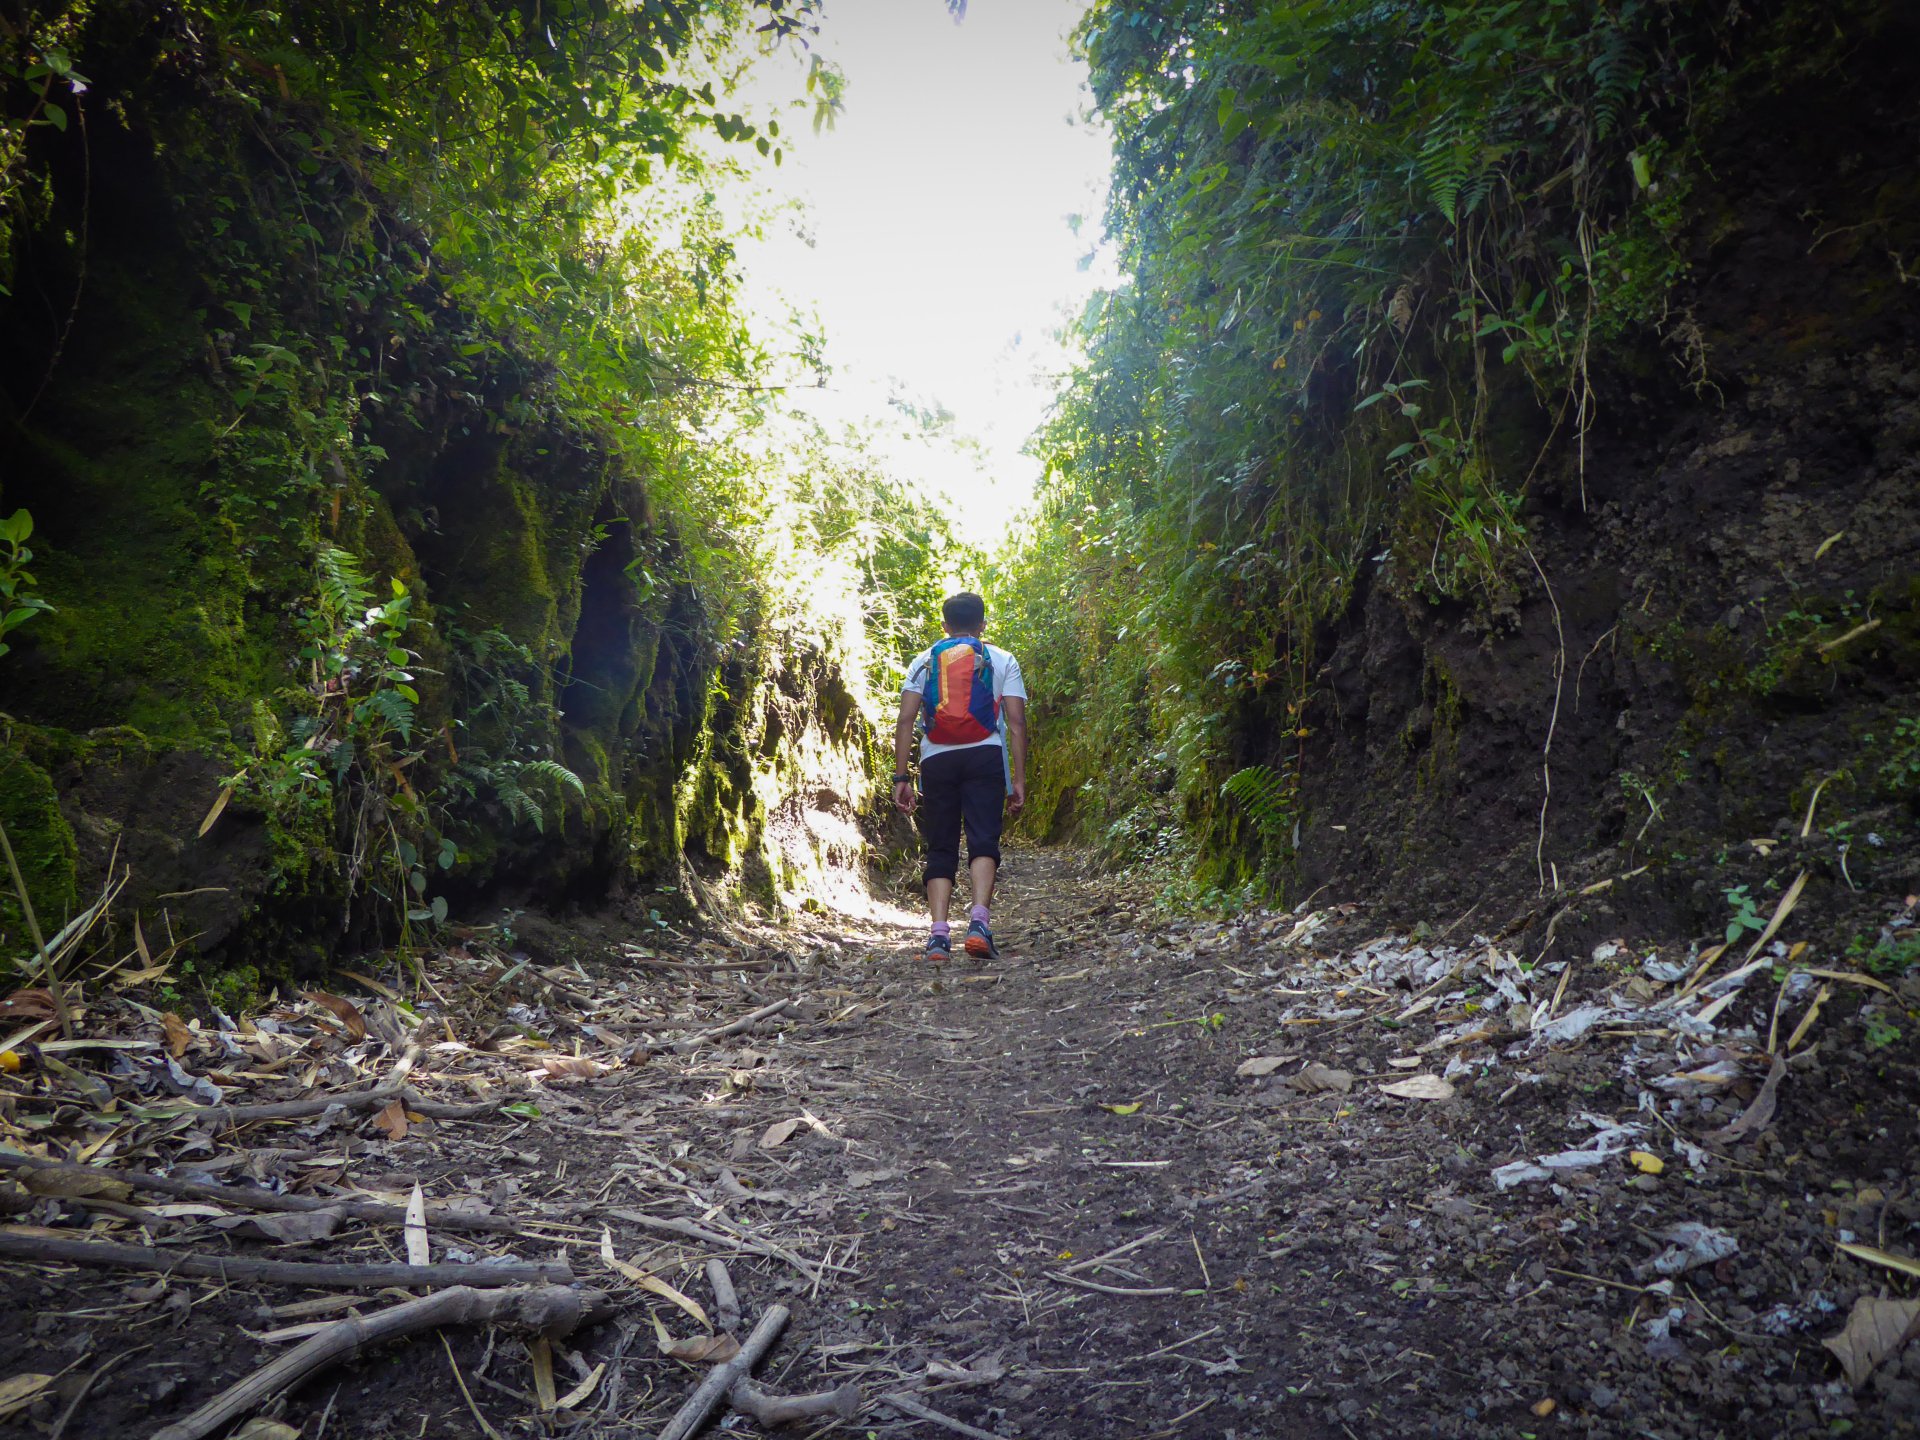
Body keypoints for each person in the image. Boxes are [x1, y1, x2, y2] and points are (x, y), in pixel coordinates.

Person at [892, 591, 1028, 962]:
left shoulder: (923, 662)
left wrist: (901, 776)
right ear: (983, 624)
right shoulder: (1001, 659)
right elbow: (1015, 723)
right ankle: (979, 923)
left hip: (937, 760)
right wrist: (1018, 779)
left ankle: (938, 935)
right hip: (985, 755)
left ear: (944, 626)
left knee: (941, 844)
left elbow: (906, 720)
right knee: (984, 837)